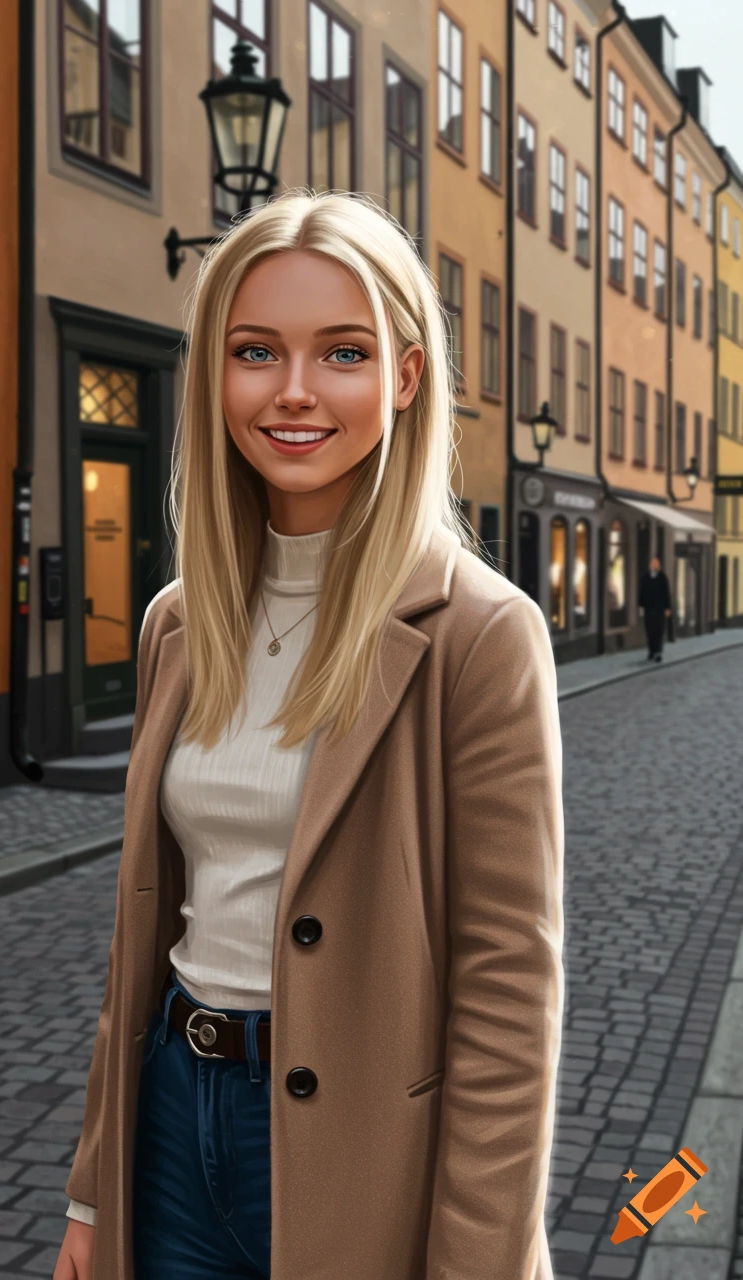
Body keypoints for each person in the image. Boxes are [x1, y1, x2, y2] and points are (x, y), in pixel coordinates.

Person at [52, 190, 564, 1280]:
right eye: (254, 351)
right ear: (214, 374)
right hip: (170, 1127)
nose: (292, 391)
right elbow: (134, 944)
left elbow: (508, 1000)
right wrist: (94, 1190)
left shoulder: (480, 633)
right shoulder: (179, 623)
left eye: (340, 351)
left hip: (367, 1157)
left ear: (404, 376)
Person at [638, 554, 672, 662]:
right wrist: (641, 607)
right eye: (653, 564)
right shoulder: (645, 577)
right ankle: (651, 651)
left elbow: (666, 593)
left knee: (659, 631)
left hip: (659, 609)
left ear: (659, 566)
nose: (655, 566)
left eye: (657, 564)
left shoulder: (662, 577)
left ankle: (658, 652)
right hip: (648, 609)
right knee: (649, 631)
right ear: (650, 565)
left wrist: (667, 608)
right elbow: (641, 593)